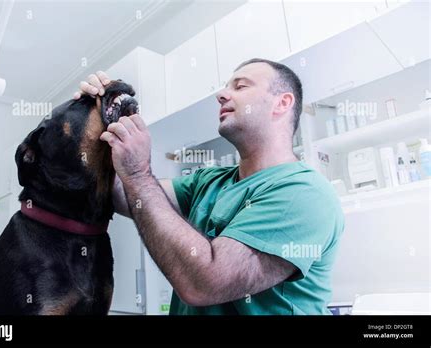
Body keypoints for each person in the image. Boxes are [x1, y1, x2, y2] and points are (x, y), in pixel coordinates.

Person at [74, 58, 345, 315]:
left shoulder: (305, 192)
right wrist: (97, 117)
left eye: (240, 86)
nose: (221, 94)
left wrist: (137, 173)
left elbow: (205, 282)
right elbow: (123, 196)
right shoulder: (209, 181)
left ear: (282, 103)